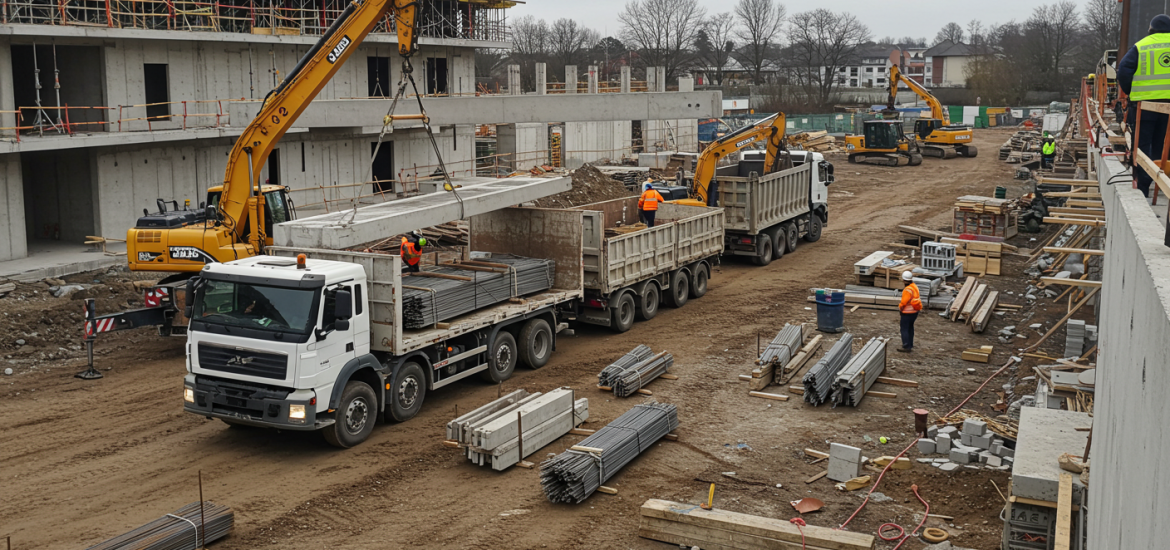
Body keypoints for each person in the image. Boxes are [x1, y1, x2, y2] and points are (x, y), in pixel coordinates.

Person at [1117, 14, 1170, 198]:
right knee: (1164, 146)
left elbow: (1123, 70)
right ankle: (1163, 184)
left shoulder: (1142, 46)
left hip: (1144, 107)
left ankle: (1143, 188)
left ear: (1151, 29)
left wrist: (1132, 92)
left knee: (1142, 146)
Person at [896, 270, 923, 353]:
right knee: (910, 328)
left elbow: (904, 302)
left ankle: (906, 346)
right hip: (915, 312)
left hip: (907, 312)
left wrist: (900, 308)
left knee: (904, 329)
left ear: (904, 280)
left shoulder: (907, 290)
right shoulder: (914, 286)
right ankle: (910, 344)